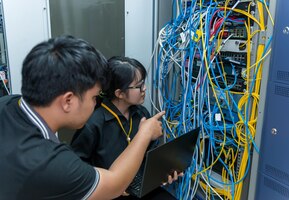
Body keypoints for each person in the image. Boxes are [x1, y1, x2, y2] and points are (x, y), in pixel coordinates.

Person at [0, 35, 165, 200]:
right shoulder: (52, 164)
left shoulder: (8, 103)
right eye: (94, 97)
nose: (96, 104)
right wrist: (144, 134)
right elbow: (115, 184)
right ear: (68, 101)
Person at [71, 56, 177, 199]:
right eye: (139, 86)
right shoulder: (93, 122)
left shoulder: (141, 113)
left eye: (143, 83)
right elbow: (78, 168)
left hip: (139, 186)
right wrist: (111, 184)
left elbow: (150, 155)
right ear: (119, 93)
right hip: (108, 192)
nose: (144, 88)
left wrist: (163, 171)